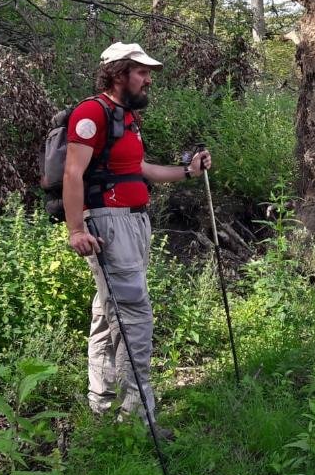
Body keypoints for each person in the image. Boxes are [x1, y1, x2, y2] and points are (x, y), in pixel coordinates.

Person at [63, 41, 211, 436]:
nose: (148, 80)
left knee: (105, 313)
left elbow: (141, 169)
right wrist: (76, 230)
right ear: (118, 73)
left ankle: (101, 403)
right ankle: (138, 417)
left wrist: (189, 173)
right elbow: (72, 173)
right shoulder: (91, 113)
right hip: (108, 225)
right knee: (134, 318)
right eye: (142, 72)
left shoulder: (124, 117)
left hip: (132, 223)